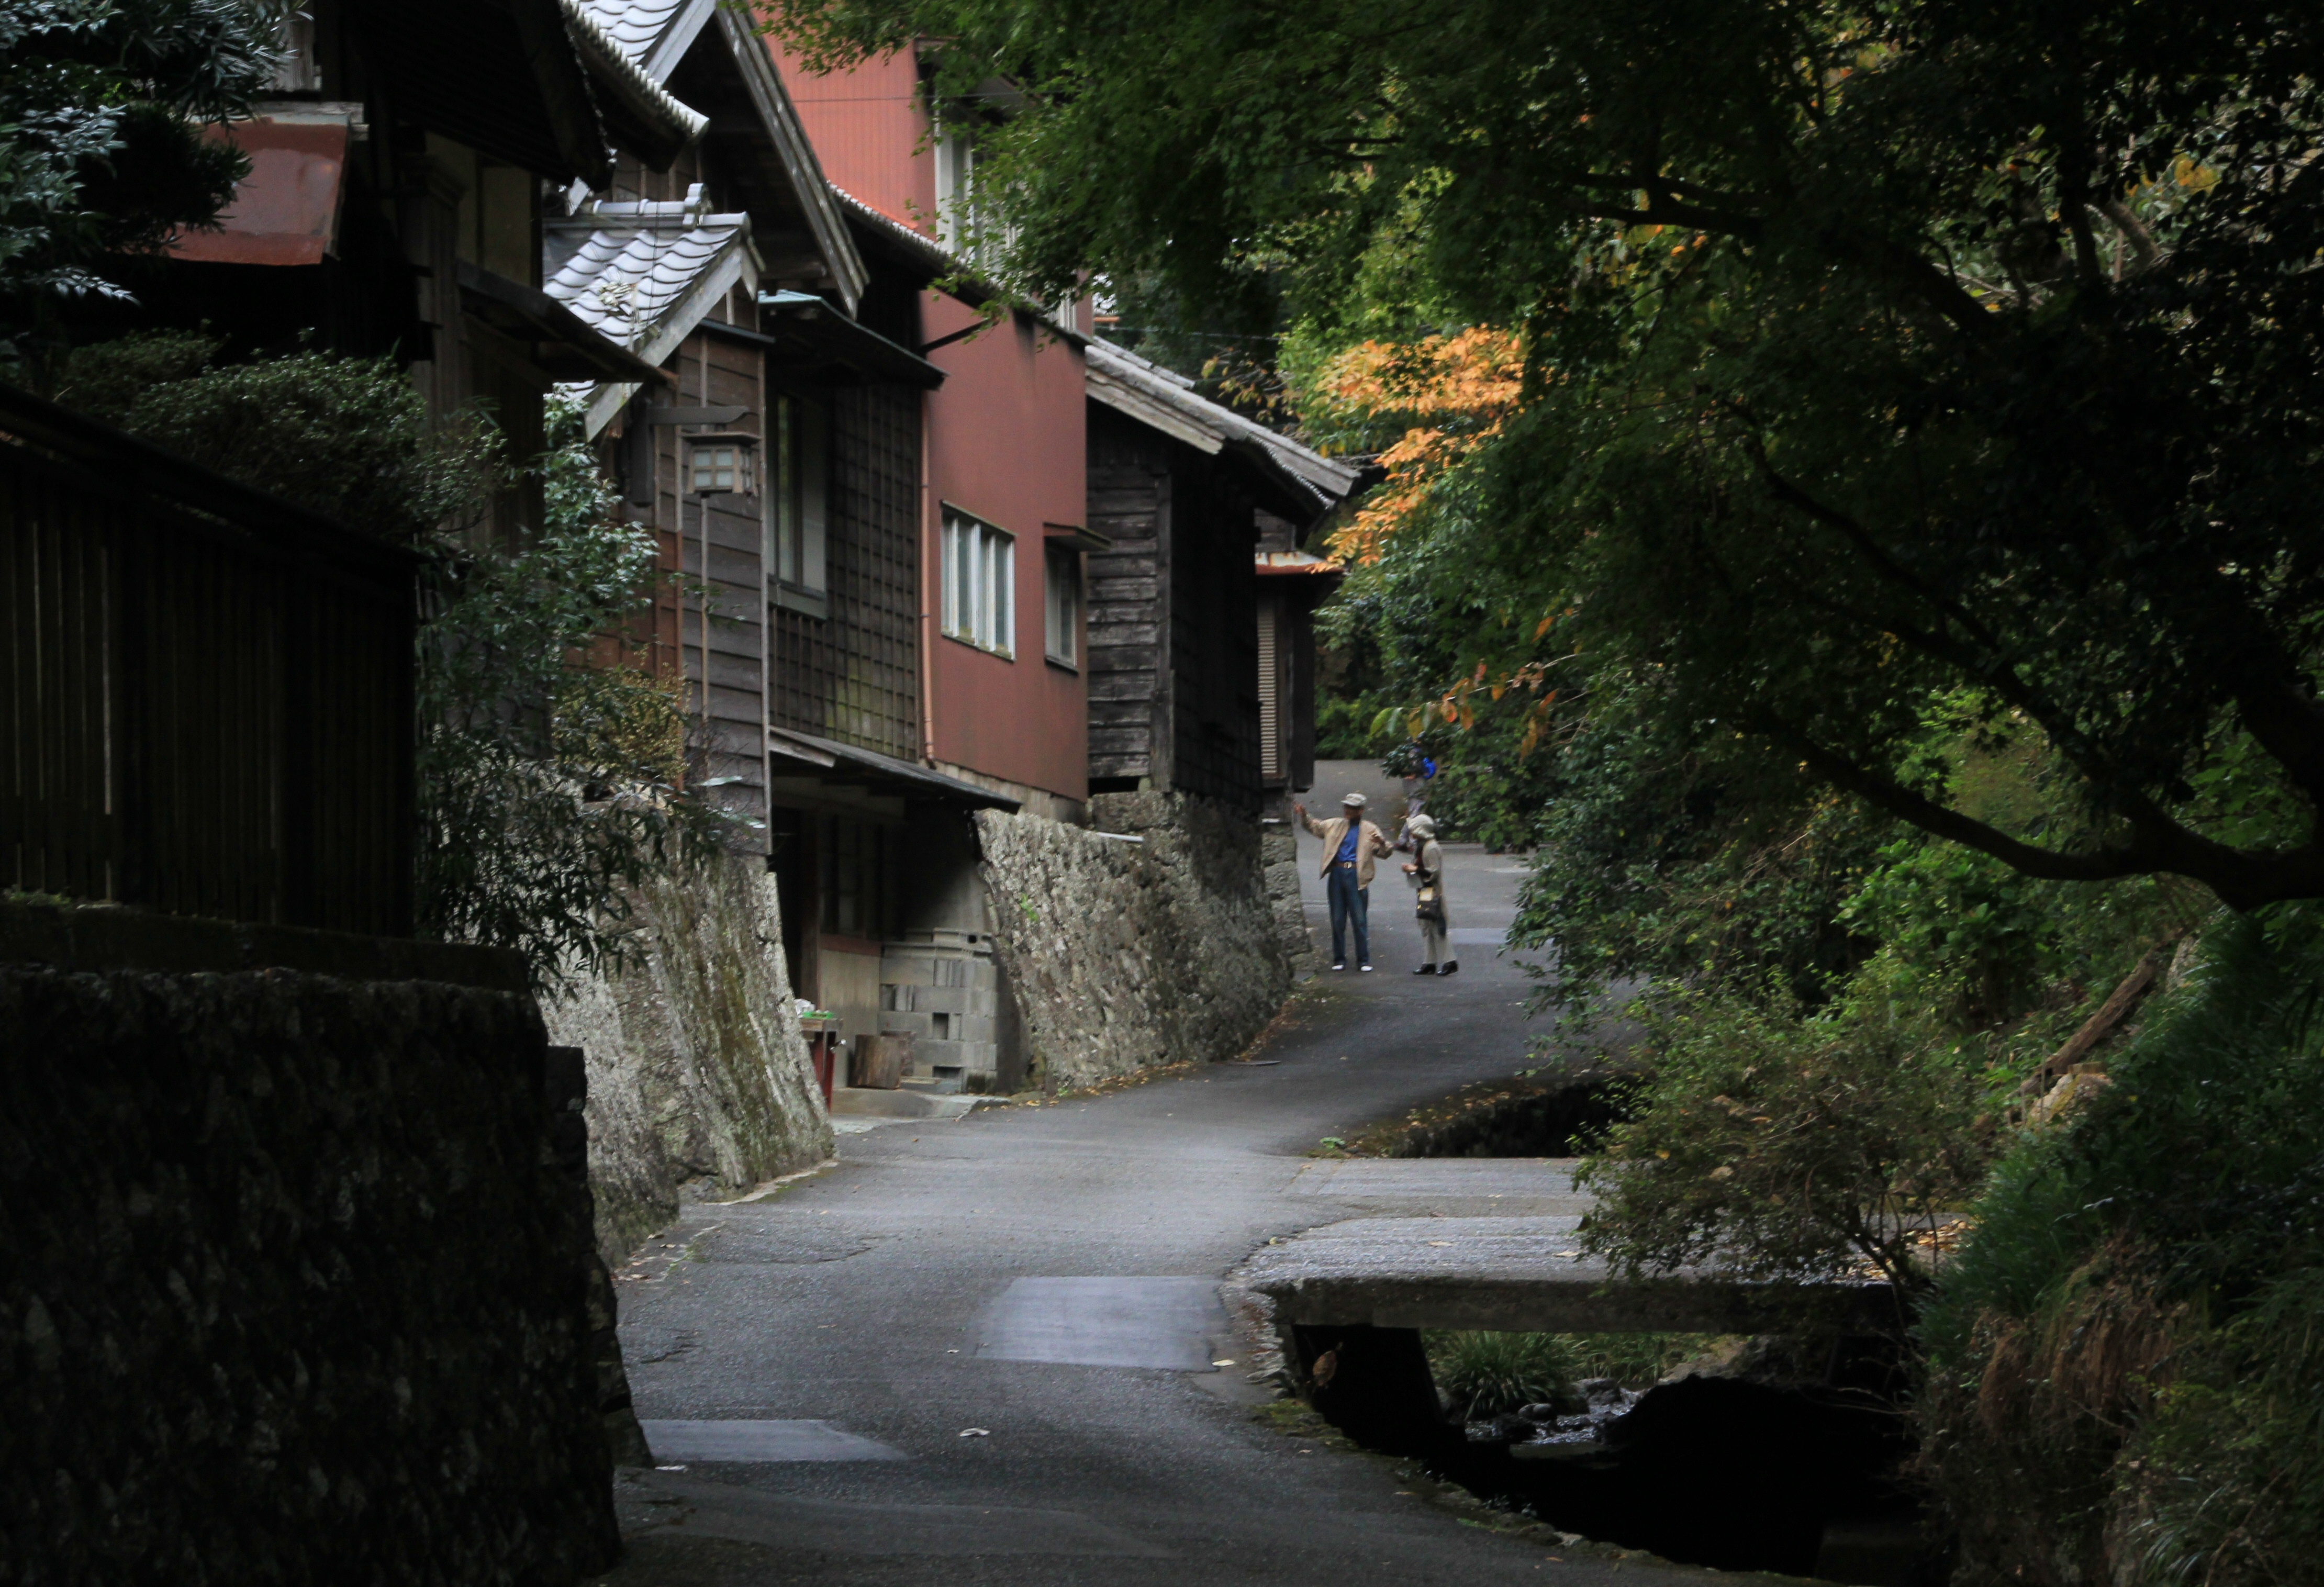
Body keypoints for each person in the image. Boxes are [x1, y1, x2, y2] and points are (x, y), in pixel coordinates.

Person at [1295, 791, 1394, 971]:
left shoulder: (1370, 829)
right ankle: (1339, 959)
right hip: (1338, 872)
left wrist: (1382, 843)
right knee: (1337, 918)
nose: (1348, 810)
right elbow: (1316, 827)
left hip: (1357, 874)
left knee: (1359, 919)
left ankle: (1363, 960)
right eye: (1347, 807)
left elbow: (1385, 853)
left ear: (1361, 811)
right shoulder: (1334, 824)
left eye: (1353, 808)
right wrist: (1305, 815)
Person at [1401, 814, 1457, 976]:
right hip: (1425, 889)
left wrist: (1415, 870)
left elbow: (1434, 871)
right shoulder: (1423, 845)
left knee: (1438, 925)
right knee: (1426, 925)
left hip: (1432, 891)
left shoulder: (1430, 847)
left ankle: (1449, 961)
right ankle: (1430, 962)